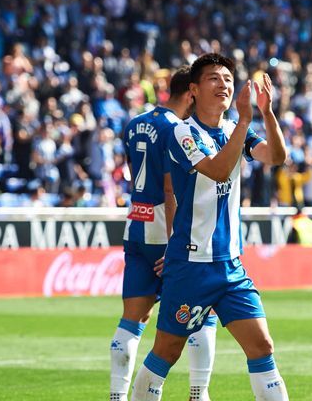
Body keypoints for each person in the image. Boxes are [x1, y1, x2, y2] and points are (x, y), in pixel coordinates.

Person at [130, 53, 289, 400]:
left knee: (262, 345)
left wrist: (266, 112)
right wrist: (246, 121)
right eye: (214, 78)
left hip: (230, 266)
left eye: (229, 79)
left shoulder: (234, 129)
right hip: (191, 267)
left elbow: (277, 157)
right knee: (167, 351)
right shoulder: (182, 133)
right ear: (194, 90)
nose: (224, 85)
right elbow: (217, 170)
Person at [111, 67, 218, 401]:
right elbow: (170, 190)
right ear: (191, 93)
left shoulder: (134, 123)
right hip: (166, 231)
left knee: (133, 318)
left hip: (136, 226)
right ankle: (198, 394)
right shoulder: (178, 129)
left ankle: (117, 396)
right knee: (204, 311)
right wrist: (175, 245)